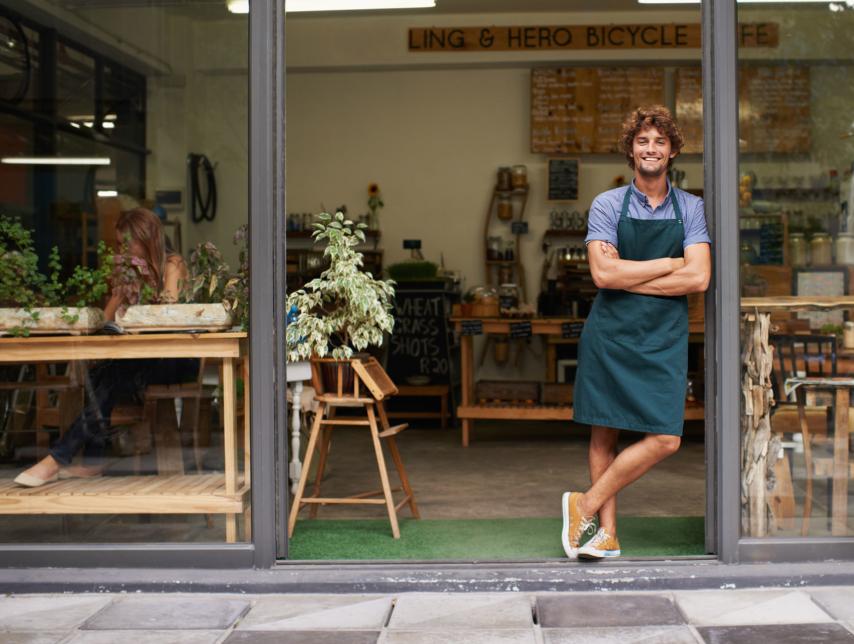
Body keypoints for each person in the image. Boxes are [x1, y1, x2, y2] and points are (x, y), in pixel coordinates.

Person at [564, 105, 712, 560]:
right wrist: (670, 262)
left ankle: (583, 505)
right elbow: (602, 276)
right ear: (631, 150)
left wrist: (627, 274)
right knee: (603, 435)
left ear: (672, 151)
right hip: (611, 335)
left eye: (660, 142)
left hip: (663, 339)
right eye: (643, 141)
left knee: (666, 438)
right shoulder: (608, 204)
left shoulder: (691, 207)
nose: (651, 149)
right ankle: (606, 534)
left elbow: (699, 278)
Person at [14, 208, 197, 487]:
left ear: (146, 238)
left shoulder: (173, 265)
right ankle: (86, 460)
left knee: (112, 374)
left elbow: (166, 315)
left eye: (128, 243)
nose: (123, 250)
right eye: (120, 244)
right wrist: (118, 294)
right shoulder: (131, 272)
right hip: (144, 359)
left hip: (176, 359)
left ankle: (60, 459)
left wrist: (146, 282)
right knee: (102, 372)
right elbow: (105, 320)